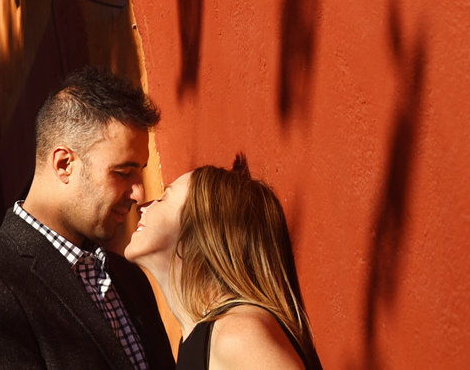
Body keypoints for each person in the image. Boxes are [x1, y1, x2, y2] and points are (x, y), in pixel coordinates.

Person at [0, 67, 175, 370]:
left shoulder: (128, 277)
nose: (138, 193)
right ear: (64, 164)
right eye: (123, 173)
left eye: (139, 172)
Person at [125, 155, 323, 369]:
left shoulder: (237, 334)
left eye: (164, 198)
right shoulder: (203, 338)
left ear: (201, 230)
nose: (143, 206)